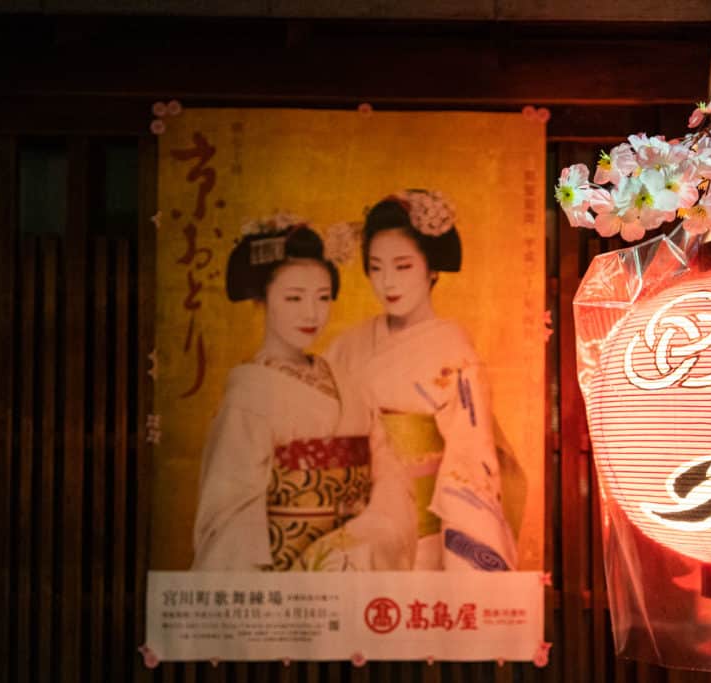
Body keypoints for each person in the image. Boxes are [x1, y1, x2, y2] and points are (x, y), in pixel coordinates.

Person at [318, 190, 523, 571]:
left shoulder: (452, 350)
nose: (387, 282)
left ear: (431, 268)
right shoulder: (346, 347)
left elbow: (468, 459)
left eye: (402, 266)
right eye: (376, 268)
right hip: (350, 528)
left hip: (422, 540)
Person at [191, 217, 379, 571]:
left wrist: (369, 531)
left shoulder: (344, 380)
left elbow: (386, 473)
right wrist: (309, 543)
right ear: (264, 297)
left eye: (323, 298)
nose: (311, 313)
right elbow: (227, 510)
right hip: (288, 568)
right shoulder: (248, 395)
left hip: (357, 555)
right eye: (294, 298)